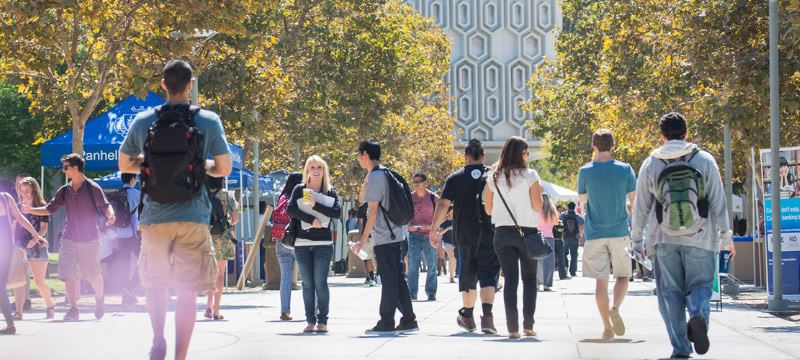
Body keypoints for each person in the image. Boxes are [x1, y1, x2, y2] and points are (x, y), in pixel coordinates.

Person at [119, 60, 232, 360]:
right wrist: (198, 165)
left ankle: (158, 339)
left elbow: (124, 163)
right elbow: (224, 168)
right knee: (187, 289)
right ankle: (180, 356)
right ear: (190, 85)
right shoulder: (208, 120)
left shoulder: (144, 121)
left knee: (155, 284)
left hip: (154, 216)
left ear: (164, 86)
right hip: (193, 216)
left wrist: (150, 162)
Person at [630, 112, 735, 358]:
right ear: (686, 133)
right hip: (701, 237)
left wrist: (637, 241)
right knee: (701, 285)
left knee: (670, 295)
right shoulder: (704, 160)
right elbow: (718, 201)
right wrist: (726, 237)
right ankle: (697, 314)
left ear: (662, 136)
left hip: (664, 239)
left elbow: (641, 207)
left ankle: (680, 348)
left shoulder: (651, 163)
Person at [22, 153, 115, 322]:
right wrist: (30, 211)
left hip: (89, 239)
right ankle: (73, 309)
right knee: (69, 275)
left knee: (93, 275)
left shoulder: (92, 187)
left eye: (66, 167)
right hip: (69, 238)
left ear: (75, 168)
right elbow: (49, 209)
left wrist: (111, 215)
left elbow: (105, 205)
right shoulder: (64, 191)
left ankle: (99, 299)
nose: (63, 171)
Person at [430, 139, 501, 334]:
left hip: (464, 236)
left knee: (468, 278)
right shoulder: (493, 176)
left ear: (465, 157)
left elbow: (443, 205)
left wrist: (434, 229)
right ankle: (487, 318)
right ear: (483, 156)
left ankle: (468, 317)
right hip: (489, 235)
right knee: (488, 278)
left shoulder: (455, 178)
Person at [353, 140, 419, 334]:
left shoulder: (376, 176)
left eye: (359, 155)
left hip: (385, 235)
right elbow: (361, 198)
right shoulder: (382, 173)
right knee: (397, 278)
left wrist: (364, 239)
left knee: (389, 280)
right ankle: (408, 319)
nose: (358, 158)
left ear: (365, 154)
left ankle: (387, 321)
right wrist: (368, 174)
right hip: (396, 233)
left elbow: (372, 210)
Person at [577, 128, 637, 340]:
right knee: (623, 275)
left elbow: (583, 200)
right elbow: (634, 200)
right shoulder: (625, 169)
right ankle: (616, 308)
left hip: (594, 233)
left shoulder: (585, 171)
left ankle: (606, 327)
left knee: (600, 282)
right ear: (613, 146)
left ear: (593, 146)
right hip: (619, 231)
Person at [484, 136, 544, 339]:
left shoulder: (493, 176)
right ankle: (528, 326)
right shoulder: (530, 175)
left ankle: (512, 328)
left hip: (502, 232)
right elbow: (537, 206)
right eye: (526, 153)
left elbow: (489, 209)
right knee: (529, 279)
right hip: (527, 232)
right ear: (522, 154)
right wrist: (540, 193)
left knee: (510, 280)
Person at [286, 155, 341, 333]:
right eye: (312, 167)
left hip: (323, 242)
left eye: (319, 167)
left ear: (324, 171)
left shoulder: (330, 191)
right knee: (308, 283)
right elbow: (290, 209)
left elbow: (337, 212)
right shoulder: (299, 188)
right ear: (307, 171)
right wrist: (311, 219)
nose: (316, 171)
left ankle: (322, 321)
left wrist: (315, 205)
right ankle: (310, 320)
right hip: (302, 242)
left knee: (320, 282)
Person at [1, 191, 46, 335]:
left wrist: (37, 235)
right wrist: (36, 235)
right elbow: (20, 219)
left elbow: (20, 219)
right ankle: (9, 323)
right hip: (6, 247)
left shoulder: (5, 197)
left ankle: (10, 323)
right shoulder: (6, 197)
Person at [13, 177, 54, 319]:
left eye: (27, 191)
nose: (24, 194)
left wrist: (34, 240)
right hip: (20, 245)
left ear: (34, 190)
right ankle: (19, 312)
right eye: (22, 191)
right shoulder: (17, 206)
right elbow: (13, 225)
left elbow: (43, 229)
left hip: (37, 246)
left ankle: (50, 306)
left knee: (39, 281)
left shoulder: (42, 206)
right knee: (19, 280)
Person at [204, 176, 239, 321]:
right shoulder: (228, 195)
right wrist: (227, 222)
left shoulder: (202, 195)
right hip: (223, 237)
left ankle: (208, 305)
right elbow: (235, 218)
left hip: (205, 236)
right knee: (219, 274)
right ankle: (216, 309)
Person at [273, 172, 303, 321]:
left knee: (285, 277)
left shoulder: (282, 197)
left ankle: (285, 311)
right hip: (298, 240)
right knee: (307, 277)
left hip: (282, 239)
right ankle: (314, 310)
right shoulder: (300, 198)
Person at [407, 173, 439, 301]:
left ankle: (431, 292)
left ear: (425, 182)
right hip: (414, 234)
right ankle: (412, 292)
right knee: (413, 264)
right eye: (414, 181)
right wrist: (408, 224)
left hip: (429, 235)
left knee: (431, 265)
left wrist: (432, 226)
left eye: (419, 181)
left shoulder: (433, 198)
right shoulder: (409, 197)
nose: (416, 183)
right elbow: (405, 214)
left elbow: (443, 214)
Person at [114, 173, 142, 306]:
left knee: (124, 264)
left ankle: (126, 296)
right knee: (144, 261)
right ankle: (131, 286)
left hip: (120, 234)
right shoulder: (136, 194)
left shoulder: (116, 194)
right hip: (133, 234)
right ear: (133, 179)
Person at [536, 193, 558, 291]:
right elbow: (556, 222)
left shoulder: (536, 209)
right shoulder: (551, 210)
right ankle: (546, 284)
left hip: (537, 236)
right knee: (549, 261)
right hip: (549, 236)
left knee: (537, 260)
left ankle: (537, 283)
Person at [560, 202, 584, 277]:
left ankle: (566, 267)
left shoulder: (563, 215)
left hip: (565, 237)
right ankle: (573, 272)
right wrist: (580, 236)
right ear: (574, 207)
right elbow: (582, 224)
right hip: (574, 237)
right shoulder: (577, 216)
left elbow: (559, 223)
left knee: (564, 253)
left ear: (567, 207)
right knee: (574, 255)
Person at [356, 201, 377, 286]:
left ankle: (371, 278)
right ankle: (377, 276)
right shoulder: (377, 204)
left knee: (368, 258)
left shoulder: (362, 207)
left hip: (368, 236)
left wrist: (361, 237)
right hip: (377, 235)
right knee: (376, 257)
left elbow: (360, 223)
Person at [437, 206, 457, 283]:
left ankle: (452, 274)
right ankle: (451, 277)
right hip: (447, 242)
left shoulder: (457, 220)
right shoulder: (444, 221)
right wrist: (448, 228)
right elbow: (440, 232)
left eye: (453, 212)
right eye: (451, 212)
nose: (452, 213)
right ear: (448, 212)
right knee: (451, 256)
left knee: (454, 258)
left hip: (456, 241)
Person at [552, 204, 569, 280]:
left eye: (561, 210)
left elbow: (562, 232)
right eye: (559, 210)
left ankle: (563, 275)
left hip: (560, 241)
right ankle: (549, 277)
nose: (560, 212)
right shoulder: (552, 219)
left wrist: (562, 240)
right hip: (553, 241)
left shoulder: (560, 220)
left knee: (562, 259)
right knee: (552, 260)